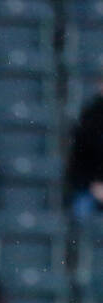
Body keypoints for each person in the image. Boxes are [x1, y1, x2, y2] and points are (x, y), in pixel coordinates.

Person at [67, 62, 103, 219]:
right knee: (82, 211)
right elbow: (80, 158)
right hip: (90, 188)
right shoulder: (89, 116)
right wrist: (94, 185)